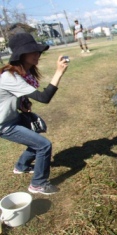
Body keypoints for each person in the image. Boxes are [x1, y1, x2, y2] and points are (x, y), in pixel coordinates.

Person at [0, 33, 69, 195]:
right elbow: (44, 98)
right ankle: (38, 184)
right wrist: (59, 72)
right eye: (33, 51)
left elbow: (17, 94)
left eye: (38, 51)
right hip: (4, 125)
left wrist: (23, 103)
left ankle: (21, 166)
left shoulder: (23, 74)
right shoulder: (10, 77)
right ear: (21, 55)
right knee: (44, 145)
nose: (37, 54)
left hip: (13, 117)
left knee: (35, 138)